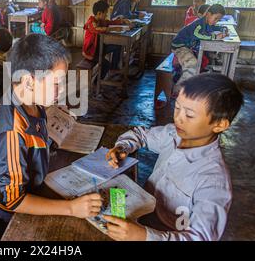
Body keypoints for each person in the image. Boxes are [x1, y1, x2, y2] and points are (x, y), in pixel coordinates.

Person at [0, 34, 103, 236]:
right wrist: (71, 209)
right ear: (29, 81)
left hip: (34, 187)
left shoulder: (30, 102)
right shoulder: (12, 130)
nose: (62, 88)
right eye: (56, 82)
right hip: (10, 216)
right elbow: (12, 199)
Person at [104, 73, 243, 241]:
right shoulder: (173, 135)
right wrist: (122, 147)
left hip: (164, 233)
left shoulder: (213, 180)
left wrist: (145, 236)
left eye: (189, 115)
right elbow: (141, 135)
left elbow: (200, 237)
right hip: (142, 212)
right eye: (177, 108)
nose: (178, 118)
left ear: (219, 124)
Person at [171, 4, 228, 87]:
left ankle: (186, 86)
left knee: (198, 61)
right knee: (192, 64)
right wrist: (215, 36)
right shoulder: (199, 24)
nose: (216, 22)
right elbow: (197, 35)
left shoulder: (206, 23)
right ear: (208, 14)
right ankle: (179, 90)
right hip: (179, 46)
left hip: (187, 46)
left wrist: (222, 29)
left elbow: (212, 28)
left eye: (218, 20)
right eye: (215, 19)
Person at [83, 0, 131, 79]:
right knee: (106, 64)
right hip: (91, 51)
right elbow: (97, 29)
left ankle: (114, 68)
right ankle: (96, 83)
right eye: (105, 13)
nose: (106, 15)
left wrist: (122, 21)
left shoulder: (100, 20)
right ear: (99, 13)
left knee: (118, 46)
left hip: (99, 48)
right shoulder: (91, 22)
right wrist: (115, 29)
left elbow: (109, 23)